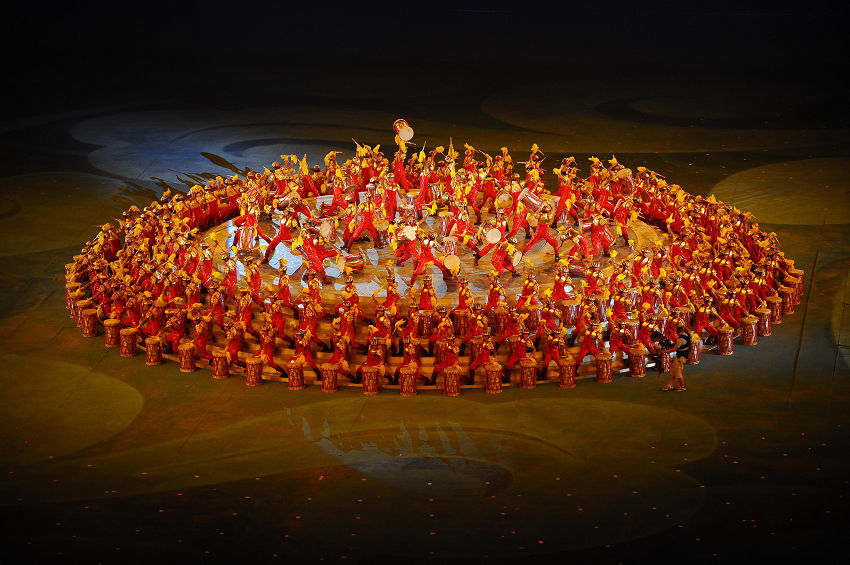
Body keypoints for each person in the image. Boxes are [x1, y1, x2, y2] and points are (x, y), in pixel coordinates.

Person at [661, 323, 691, 391]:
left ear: (679, 332)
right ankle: (670, 384)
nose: (677, 334)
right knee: (673, 370)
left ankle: (682, 387)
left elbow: (674, 349)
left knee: (678, 373)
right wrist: (683, 326)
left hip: (681, 357)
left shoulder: (681, 339)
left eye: (677, 332)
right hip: (680, 356)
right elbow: (688, 330)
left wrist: (665, 351)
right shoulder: (686, 334)